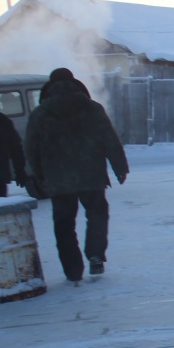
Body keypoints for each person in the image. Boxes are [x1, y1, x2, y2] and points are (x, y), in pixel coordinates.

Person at [25, 68, 129, 284]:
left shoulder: (40, 114)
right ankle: (96, 254)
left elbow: (31, 148)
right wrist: (120, 166)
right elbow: (109, 138)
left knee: (64, 224)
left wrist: (38, 175)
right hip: (91, 174)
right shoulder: (92, 109)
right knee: (97, 215)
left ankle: (73, 269)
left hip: (58, 178)